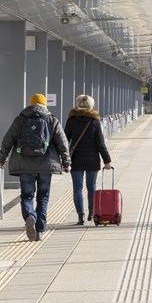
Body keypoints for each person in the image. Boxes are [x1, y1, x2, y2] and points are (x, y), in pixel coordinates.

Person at [0, 94, 70, 241]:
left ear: (31, 104)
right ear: (44, 105)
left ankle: (30, 215)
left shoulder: (20, 119)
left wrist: (2, 158)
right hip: (46, 165)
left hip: (24, 164)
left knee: (27, 196)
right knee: (43, 196)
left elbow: (8, 139)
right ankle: (40, 230)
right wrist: (66, 162)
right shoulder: (51, 119)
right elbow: (62, 143)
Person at [64, 94, 113, 225]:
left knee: (77, 188)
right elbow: (100, 143)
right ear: (91, 105)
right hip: (92, 159)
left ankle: (80, 216)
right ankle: (92, 212)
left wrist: (64, 159)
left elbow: (64, 141)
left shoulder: (71, 120)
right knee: (91, 187)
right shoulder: (94, 121)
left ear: (78, 104)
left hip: (76, 159)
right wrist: (107, 161)